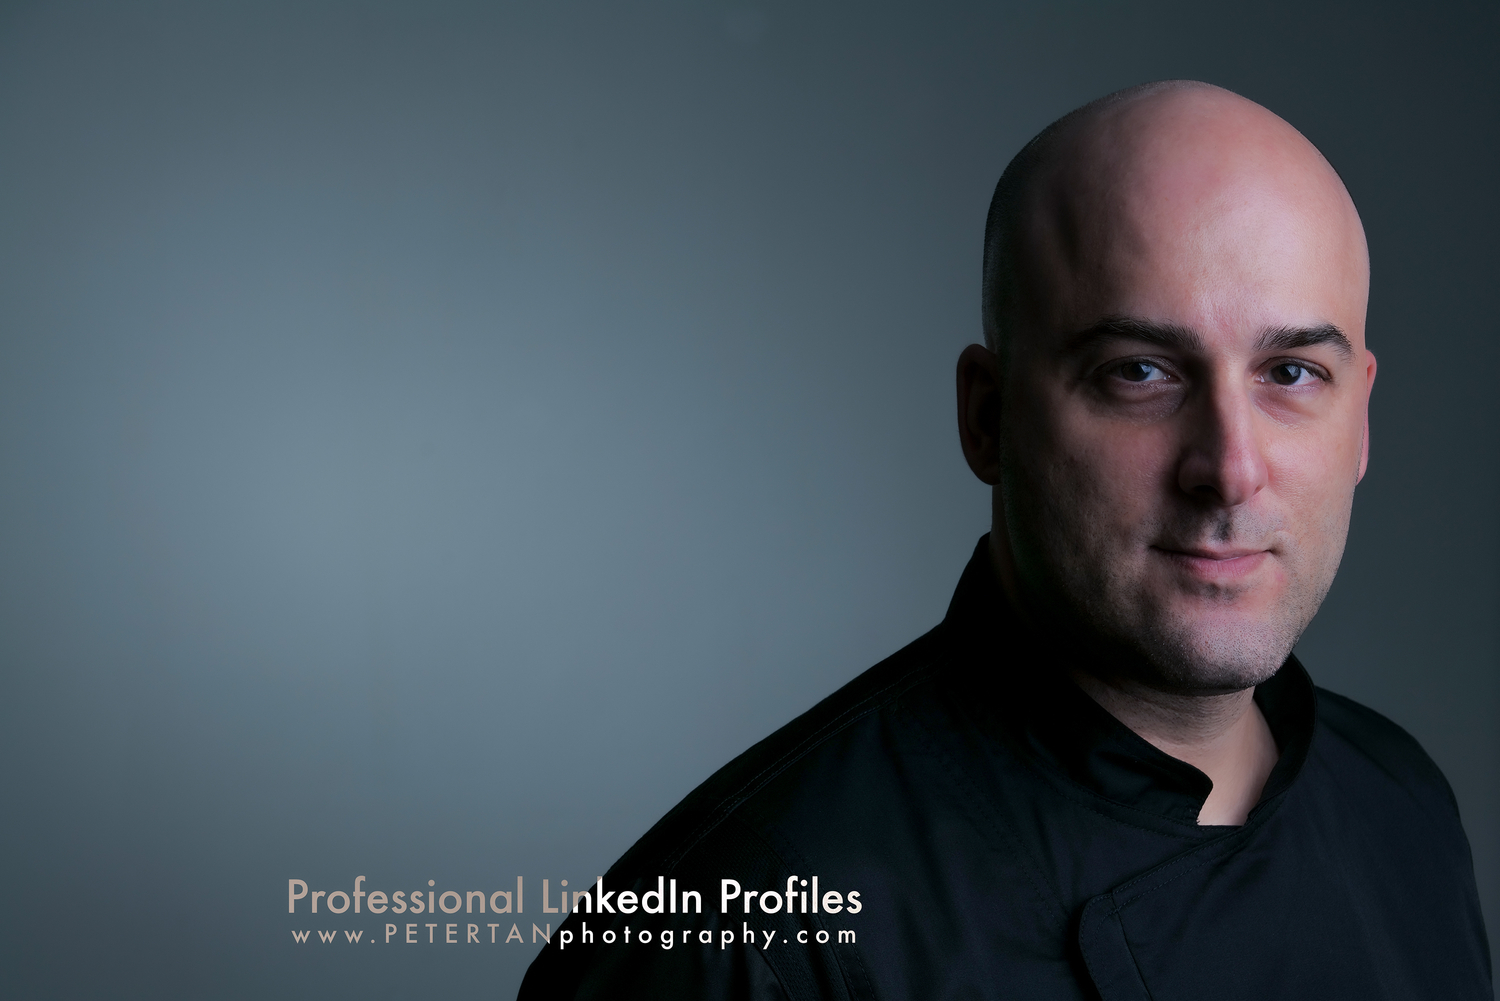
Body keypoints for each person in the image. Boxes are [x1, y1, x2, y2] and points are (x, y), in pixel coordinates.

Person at [518, 81, 1492, 999]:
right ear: (988, 417)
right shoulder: (738, 933)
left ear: (1362, 420)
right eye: (1141, 371)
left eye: (1291, 374)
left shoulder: (1399, 800)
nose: (1230, 468)